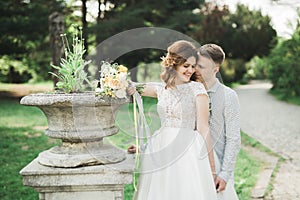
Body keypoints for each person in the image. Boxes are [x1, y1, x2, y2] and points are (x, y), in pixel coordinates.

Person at [127, 40, 218, 199]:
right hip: (160, 149)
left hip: (188, 151)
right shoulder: (161, 88)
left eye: (192, 66)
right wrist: (116, 81)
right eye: (186, 66)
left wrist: (211, 168)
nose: (190, 70)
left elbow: (204, 128)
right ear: (174, 64)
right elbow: (133, 87)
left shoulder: (197, 89)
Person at [197, 44, 240, 199]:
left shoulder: (229, 96)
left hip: (217, 168)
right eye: (195, 63)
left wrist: (225, 174)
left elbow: (234, 138)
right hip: (191, 165)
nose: (195, 69)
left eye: (201, 66)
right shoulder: (188, 90)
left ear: (215, 69)